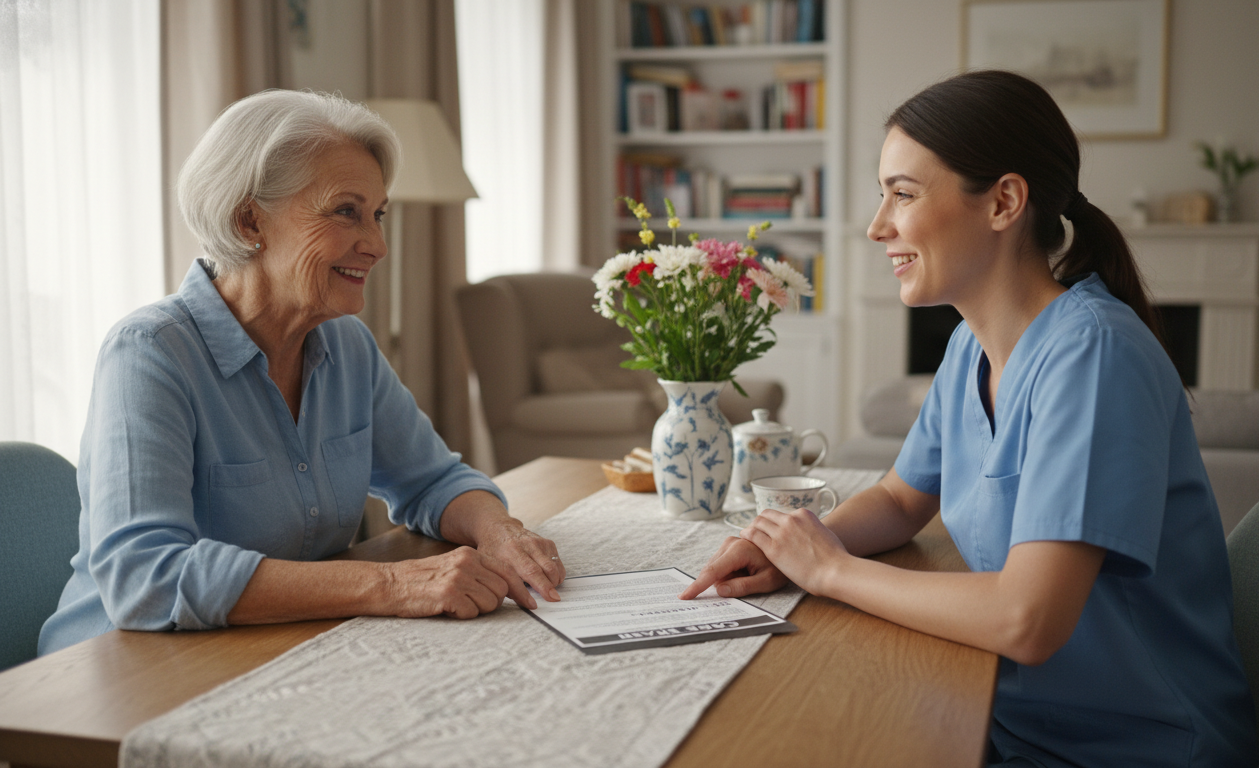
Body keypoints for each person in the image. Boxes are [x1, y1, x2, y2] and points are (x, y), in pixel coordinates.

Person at [681, 70, 1257, 767]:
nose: (876, 226)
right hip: (1009, 718)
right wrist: (794, 551)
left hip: (1136, 745)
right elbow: (899, 499)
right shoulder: (967, 347)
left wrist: (830, 571)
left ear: (1003, 202)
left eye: (902, 194)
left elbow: (1028, 619)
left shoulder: (1095, 356)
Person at [39, 90, 565, 655]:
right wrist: (387, 583)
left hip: (277, 647)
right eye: (346, 211)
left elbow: (432, 480)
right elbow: (145, 577)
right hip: (124, 668)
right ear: (248, 221)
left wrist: (498, 531)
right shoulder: (149, 354)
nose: (378, 244)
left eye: (377, 214)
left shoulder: (347, 345)